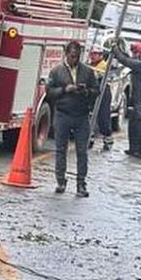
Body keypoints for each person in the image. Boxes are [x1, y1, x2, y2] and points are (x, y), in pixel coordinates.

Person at [45, 40, 99, 196]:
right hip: (63, 114)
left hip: (81, 115)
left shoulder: (88, 72)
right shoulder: (56, 71)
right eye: (72, 56)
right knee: (61, 149)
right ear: (66, 54)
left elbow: (96, 92)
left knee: (82, 151)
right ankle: (61, 181)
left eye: (77, 56)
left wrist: (86, 91)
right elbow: (49, 92)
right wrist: (64, 90)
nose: (74, 59)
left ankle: (81, 184)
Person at [113, 40, 141, 159]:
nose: (133, 54)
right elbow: (127, 58)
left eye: (134, 52)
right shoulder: (139, 62)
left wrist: (116, 51)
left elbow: (126, 61)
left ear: (139, 54)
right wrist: (118, 50)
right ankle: (134, 149)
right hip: (138, 99)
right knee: (133, 126)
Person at [88, 48, 115, 151]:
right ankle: (90, 138)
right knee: (89, 115)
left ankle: (108, 139)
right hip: (93, 90)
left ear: (101, 56)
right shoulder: (91, 64)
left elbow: (96, 75)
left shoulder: (103, 65)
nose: (93, 56)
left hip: (103, 91)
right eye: (92, 54)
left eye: (95, 54)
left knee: (103, 116)